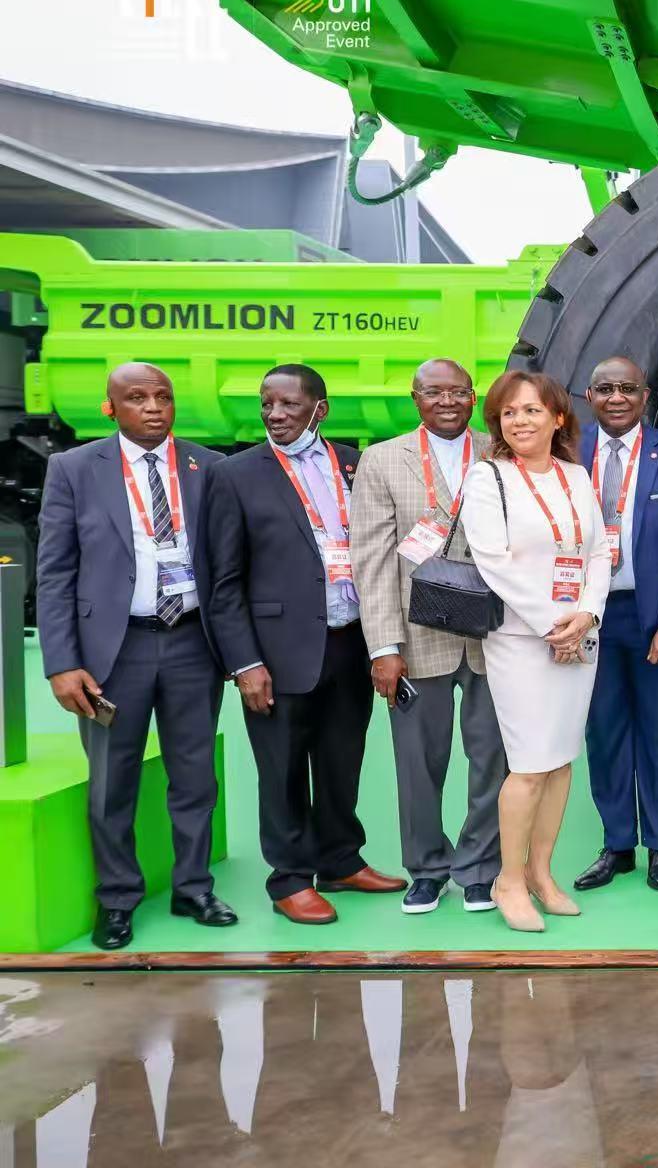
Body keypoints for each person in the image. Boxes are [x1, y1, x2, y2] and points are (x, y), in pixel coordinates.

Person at [36, 362, 235, 950]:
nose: (152, 407)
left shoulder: (209, 467)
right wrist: (61, 662)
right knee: (111, 781)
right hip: (112, 652)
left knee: (195, 776)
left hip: (193, 644)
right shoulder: (74, 469)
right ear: (111, 407)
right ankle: (118, 898)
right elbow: (55, 573)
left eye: (162, 397)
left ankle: (193, 887)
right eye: (137, 397)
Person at [204, 365, 405, 924]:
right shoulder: (236, 474)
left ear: (320, 409)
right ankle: (290, 878)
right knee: (283, 768)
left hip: (349, 641)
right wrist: (245, 662)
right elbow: (223, 582)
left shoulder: (354, 464)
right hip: (276, 651)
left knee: (343, 761)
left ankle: (340, 861)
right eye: (267, 403)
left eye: (289, 404)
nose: (275, 414)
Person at [349, 358, 506, 916]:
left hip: (492, 636)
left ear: (473, 397)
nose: (447, 402)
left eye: (458, 392)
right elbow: (370, 560)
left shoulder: (500, 450)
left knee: (493, 760)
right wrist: (383, 648)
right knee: (418, 764)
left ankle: (480, 868)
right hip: (416, 638)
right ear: (415, 399)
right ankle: (427, 869)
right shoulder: (382, 459)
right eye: (434, 392)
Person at [459, 370, 612, 932]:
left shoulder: (576, 476)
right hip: (523, 641)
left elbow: (599, 553)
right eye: (508, 413)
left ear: (558, 417)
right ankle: (508, 879)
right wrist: (554, 624)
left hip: (580, 634)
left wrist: (587, 613)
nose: (519, 421)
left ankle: (542, 873)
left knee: (561, 760)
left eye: (530, 410)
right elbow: (493, 563)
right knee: (528, 765)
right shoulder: (488, 477)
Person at [572, 356, 658, 894]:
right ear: (589, 396)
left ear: (645, 395)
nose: (617, 398)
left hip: (653, 618)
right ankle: (616, 846)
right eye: (605, 389)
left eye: (627, 389)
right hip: (589, 618)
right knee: (605, 734)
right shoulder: (566, 453)